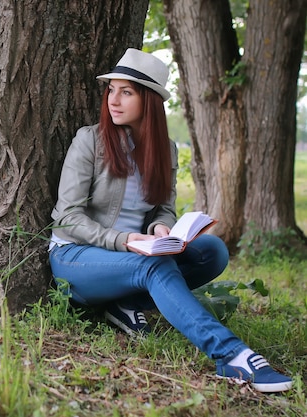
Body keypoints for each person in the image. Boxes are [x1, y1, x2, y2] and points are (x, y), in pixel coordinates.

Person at [48, 48, 293, 393]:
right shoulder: (89, 141)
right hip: (76, 257)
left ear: (148, 100)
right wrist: (128, 241)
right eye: (111, 90)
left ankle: (126, 306)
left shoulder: (165, 149)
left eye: (126, 92)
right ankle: (231, 357)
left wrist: (160, 229)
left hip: (135, 256)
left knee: (213, 251)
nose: (113, 100)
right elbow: (67, 218)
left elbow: (163, 208)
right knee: (155, 268)